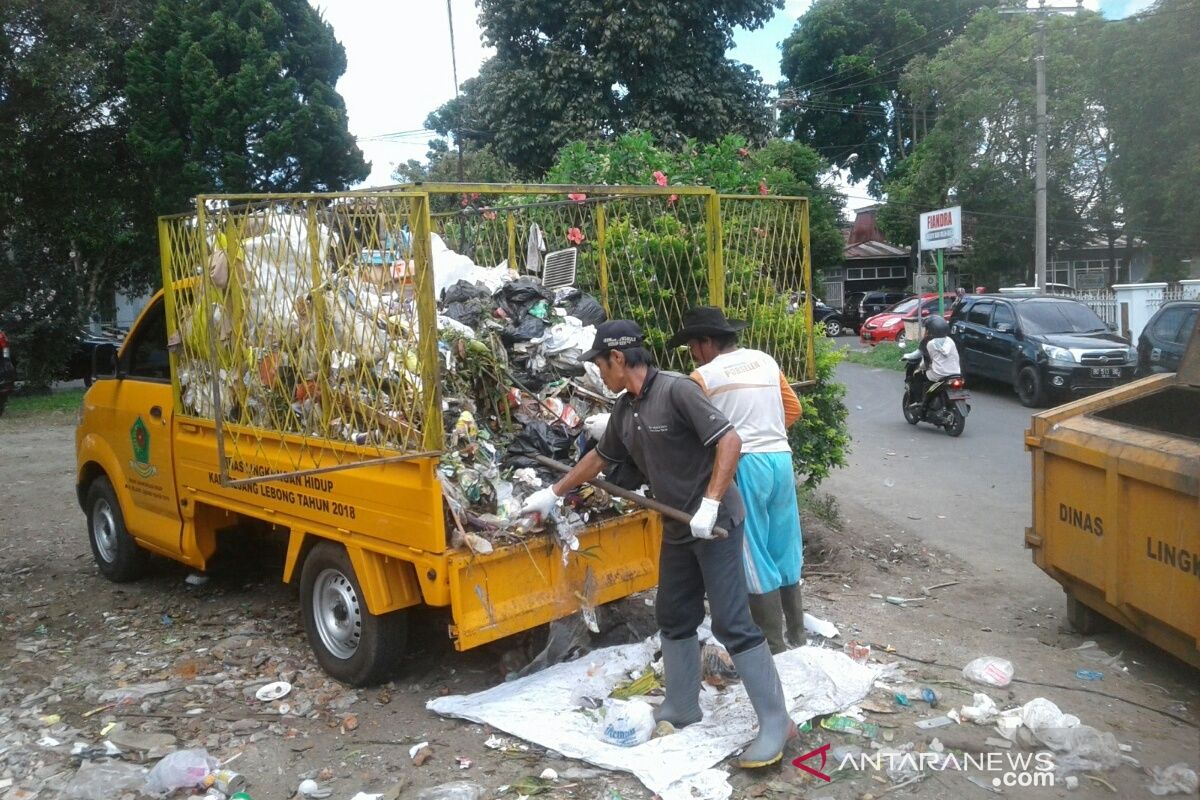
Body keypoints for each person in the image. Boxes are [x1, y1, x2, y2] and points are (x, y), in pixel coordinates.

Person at [520, 320, 795, 768]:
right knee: (673, 614)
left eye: (600, 363)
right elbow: (600, 458)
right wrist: (552, 495)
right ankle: (682, 705)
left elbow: (730, 440)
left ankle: (776, 722)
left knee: (730, 622)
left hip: (716, 522)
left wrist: (710, 503)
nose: (599, 371)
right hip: (677, 525)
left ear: (619, 359)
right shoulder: (626, 409)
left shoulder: (677, 391)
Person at [668, 307, 805, 655]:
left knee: (753, 552)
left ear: (707, 342)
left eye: (693, 346)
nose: (693, 354)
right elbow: (793, 410)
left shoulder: (703, 376)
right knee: (784, 545)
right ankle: (798, 635)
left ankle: (773, 644)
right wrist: (766, 434)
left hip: (744, 465)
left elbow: (693, 432)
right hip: (780, 459)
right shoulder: (765, 361)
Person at [909, 316, 962, 414]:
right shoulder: (950, 341)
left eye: (927, 329)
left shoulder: (930, 343)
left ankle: (922, 403)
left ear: (931, 330)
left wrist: (919, 368)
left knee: (918, 376)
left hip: (939, 374)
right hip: (955, 373)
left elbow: (927, 362)